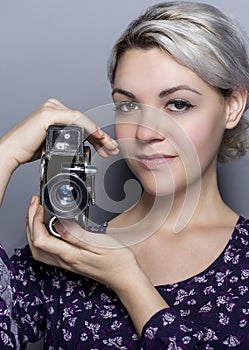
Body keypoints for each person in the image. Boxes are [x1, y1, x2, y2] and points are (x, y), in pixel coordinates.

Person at [0, 1, 249, 348]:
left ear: (233, 105)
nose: (146, 132)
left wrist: (130, 283)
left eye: (178, 104)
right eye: (128, 105)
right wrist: (5, 154)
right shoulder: (66, 248)